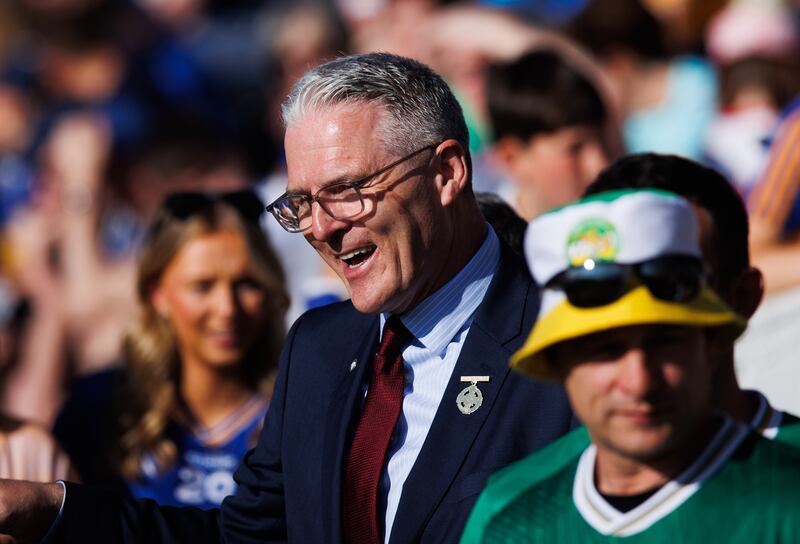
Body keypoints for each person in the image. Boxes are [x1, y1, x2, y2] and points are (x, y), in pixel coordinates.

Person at [0, 52, 574, 544]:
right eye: (302, 203)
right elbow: (242, 538)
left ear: (447, 173)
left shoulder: (566, 343)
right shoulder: (320, 349)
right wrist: (50, 509)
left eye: (346, 191)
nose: (321, 228)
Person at [461, 189, 800, 542]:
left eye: (664, 343)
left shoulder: (789, 504)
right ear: (558, 364)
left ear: (711, 345)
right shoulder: (508, 519)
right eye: (605, 351)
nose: (639, 381)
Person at [582, 153, 800, 442]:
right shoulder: (539, 469)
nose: (637, 375)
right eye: (602, 289)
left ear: (742, 297)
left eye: (671, 287)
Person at [486, 49, 611, 220]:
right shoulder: (484, 233)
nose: (600, 164)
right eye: (575, 148)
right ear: (512, 158)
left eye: (604, 140)